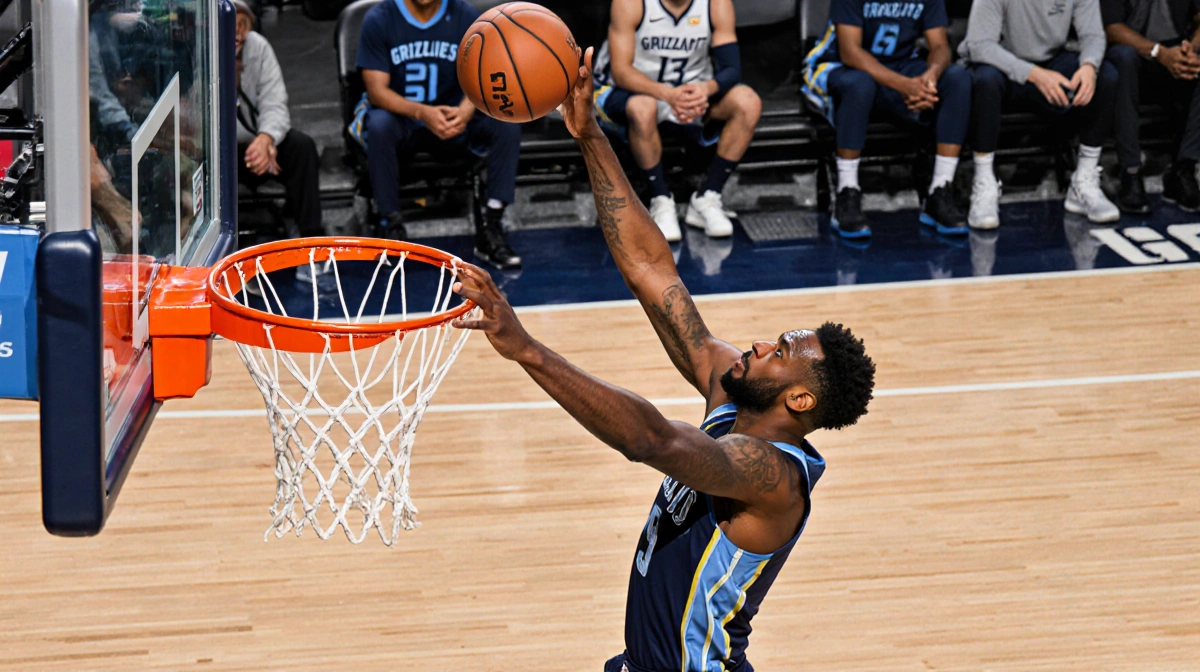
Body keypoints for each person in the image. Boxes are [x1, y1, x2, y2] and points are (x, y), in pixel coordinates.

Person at [452, 48, 876, 672]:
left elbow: (651, 439)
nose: (760, 345)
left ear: (801, 400)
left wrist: (526, 348)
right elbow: (652, 269)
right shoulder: (732, 391)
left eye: (780, 353)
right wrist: (590, 132)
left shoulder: (773, 481)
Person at [355, 0, 521, 269]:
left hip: (454, 116)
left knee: (506, 121)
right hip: (405, 118)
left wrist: (467, 108)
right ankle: (390, 224)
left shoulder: (466, 16)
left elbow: (487, 74)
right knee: (379, 125)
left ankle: (492, 224)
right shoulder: (380, 18)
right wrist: (422, 113)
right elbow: (376, 91)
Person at [592, 0, 762, 241]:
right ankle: (660, 199)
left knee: (748, 102)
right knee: (643, 108)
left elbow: (732, 69)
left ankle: (707, 197)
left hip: (690, 93)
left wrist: (705, 89)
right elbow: (621, 72)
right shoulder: (631, 4)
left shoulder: (716, 4)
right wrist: (668, 95)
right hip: (629, 92)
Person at [802, 0, 972, 239]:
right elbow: (850, 52)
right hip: (836, 67)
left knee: (957, 79)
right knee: (860, 85)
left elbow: (940, 45)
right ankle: (847, 191)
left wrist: (929, 79)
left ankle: (940, 190)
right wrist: (905, 86)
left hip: (900, 68)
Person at [960, 0, 1122, 228]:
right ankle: (983, 183)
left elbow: (1093, 34)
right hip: (1004, 66)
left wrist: (1089, 66)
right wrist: (1034, 74)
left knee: (1106, 75)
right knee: (984, 79)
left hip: (1051, 61)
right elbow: (978, 45)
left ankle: (1083, 181)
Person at [233, 0, 324, 239]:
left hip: (257, 147)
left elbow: (276, 103)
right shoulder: (200, 55)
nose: (238, 33)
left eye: (243, 25)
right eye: (230, 25)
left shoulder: (258, 47)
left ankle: (311, 238)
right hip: (220, 154)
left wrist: (266, 139)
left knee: (302, 148)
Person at [1103, 0, 1200, 213]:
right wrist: (1159, 53)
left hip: (1174, 50)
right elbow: (1111, 27)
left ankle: (1184, 169)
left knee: (1197, 60)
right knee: (1124, 59)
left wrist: (1192, 48)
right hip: (1131, 54)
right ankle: (1130, 171)